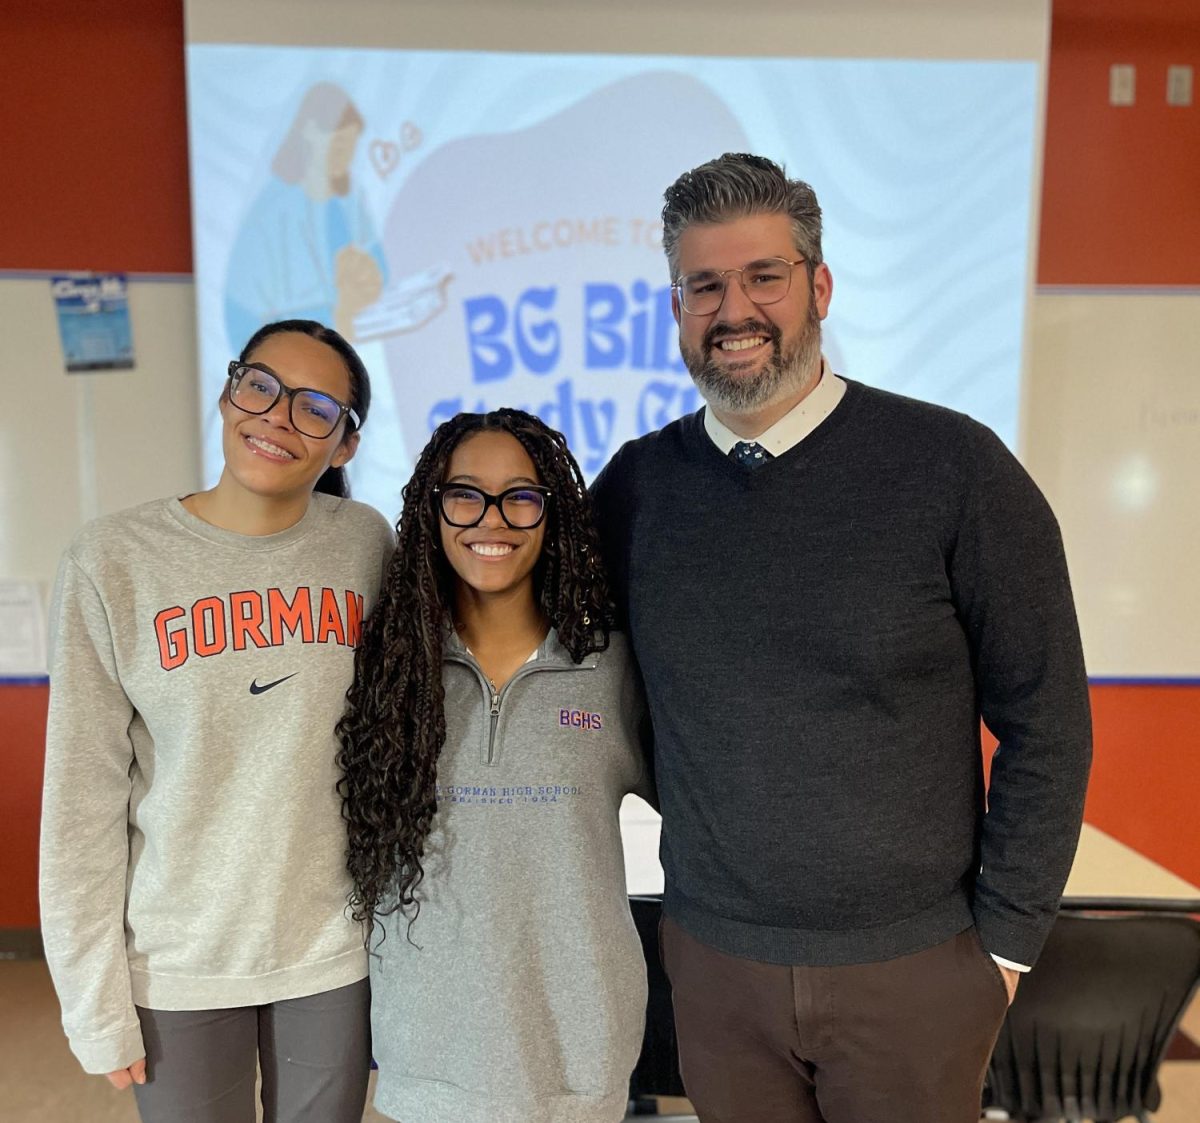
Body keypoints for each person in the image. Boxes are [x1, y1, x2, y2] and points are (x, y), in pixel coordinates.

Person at [590, 153, 1093, 1123]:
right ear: (676, 306)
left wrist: (1002, 949)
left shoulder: (955, 468)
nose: (734, 309)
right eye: (704, 285)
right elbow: (593, 683)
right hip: (716, 964)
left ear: (819, 285)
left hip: (915, 973)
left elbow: (1050, 720)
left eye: (763, 276)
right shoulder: (638, 489)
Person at [40, 319, 394, 1123]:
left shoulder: (367, 543)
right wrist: (94, 1002)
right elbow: (80, 806)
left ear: (344, 443)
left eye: (313, 407)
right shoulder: (112, 559)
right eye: (260, 385)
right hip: (178, 960)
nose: (275, 416)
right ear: (231, 387)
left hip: (329, 955)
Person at [337, 409, 650, 1123]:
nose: (493, 518)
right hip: (429, 1055)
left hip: (580, 1054)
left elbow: (709, 807)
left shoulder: (611, 667)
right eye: (465, 493)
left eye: (520, 495)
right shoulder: (391, 671)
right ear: (432, 509)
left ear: (553, 513)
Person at [224, 83, 386, 347]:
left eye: (351, 145)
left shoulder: (350, 204)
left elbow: (380, 267)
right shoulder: (269, 220)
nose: (345, 157)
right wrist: (339, 309)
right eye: (338, 144)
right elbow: (245, 321)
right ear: (309, 132)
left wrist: (370, 278)